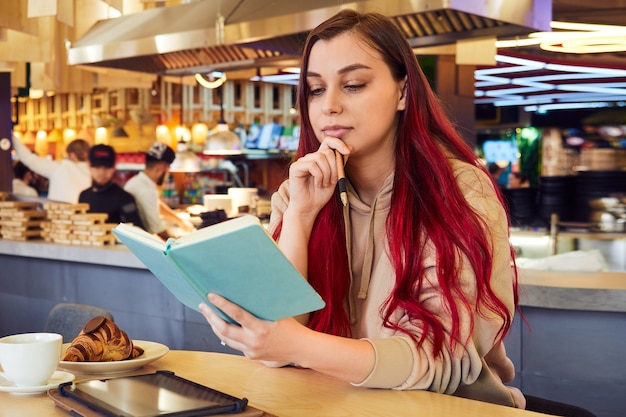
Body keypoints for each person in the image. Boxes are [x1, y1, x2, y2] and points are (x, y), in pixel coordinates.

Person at [199, 9, 524, 410]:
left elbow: (436, 358)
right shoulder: (296, 193)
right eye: (316, 89)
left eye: (353, 84)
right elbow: (273, 349)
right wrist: (301, 217)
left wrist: (295, 344)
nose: (329, 106)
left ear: (403, 92)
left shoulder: (458, 190)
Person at [124, 142, 194, 240]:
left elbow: (156, 204)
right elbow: (158, 230)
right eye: (168, 170)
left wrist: (179, 220)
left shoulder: (138, 182)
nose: (168, 175)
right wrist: (178, 242)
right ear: (160, 168)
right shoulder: (146, 190)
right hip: (140, 243)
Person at [78, 144, 145, 228]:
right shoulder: (83, 196)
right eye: (97, 167)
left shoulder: (125, 198)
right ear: (89, 166)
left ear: (114, 167)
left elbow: (138, 232)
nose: (102, 172)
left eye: (107, 167)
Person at [12, 135, 91, 203]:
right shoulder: (93, 172)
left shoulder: (61, 168)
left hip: (60, 217)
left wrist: (11, 137)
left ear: (72, 155)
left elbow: (30, 159)